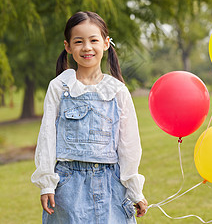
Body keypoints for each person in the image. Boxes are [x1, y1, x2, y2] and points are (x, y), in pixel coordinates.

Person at [31, 11, 147, 223]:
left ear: (105, 43)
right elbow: (47, 137)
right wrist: (47, 183)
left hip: (111, 186)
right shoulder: (59, 86)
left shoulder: (117, 90)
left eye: (93, 40)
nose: (86, 47)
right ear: (68, 46)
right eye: (78, 41)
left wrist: (134, 189)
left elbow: (129, 145)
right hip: (68, 187)